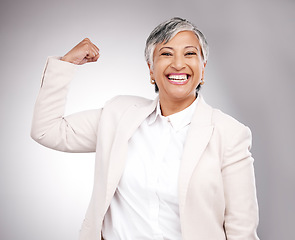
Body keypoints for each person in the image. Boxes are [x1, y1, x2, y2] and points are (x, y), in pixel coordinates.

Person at [31, 17, 259, 240]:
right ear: (151, 69)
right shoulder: (118, 115)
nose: (178, 64)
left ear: (203, 67)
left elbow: (241, 230)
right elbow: (47, 129)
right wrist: (66, 64)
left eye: (189, 53)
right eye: (166, 53)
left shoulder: (229, 134)